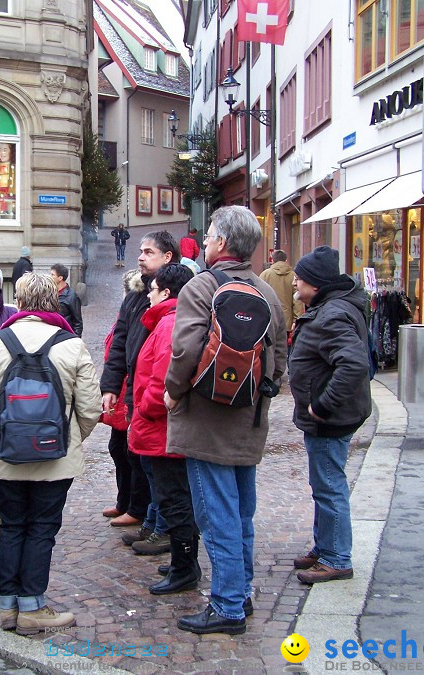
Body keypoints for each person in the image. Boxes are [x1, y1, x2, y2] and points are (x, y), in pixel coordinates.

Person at [164, 206, 286, 635]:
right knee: (240, 514)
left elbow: (184, 352)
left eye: (211, 235)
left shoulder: (200, 286)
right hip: (247, 422)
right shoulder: (267, 292)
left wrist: (173, 391)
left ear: (221, 243)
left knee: (216, 516)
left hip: (205, 422)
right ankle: (243, 591)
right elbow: (278, 360)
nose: (209, 241)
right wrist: (256, 394)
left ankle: (228, 606)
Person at [0, 272, 102, 634]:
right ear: (53, 302)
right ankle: (33, 606)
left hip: (5, 457)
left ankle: (8, 607)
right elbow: (90, 408)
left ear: (20, 301)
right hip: (54, 459)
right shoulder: (71, 345)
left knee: (11, 526)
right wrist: (69, 438)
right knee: (42, 528)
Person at [289, 246, 372, 584]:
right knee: (323, 483)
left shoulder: (331, 314)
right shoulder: (329, 307)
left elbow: (354, 364)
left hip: (330, 419)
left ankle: (337, 557)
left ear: (316, 284)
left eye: (300, 277)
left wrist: (322, 404)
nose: (295, 282)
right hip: (333, 416)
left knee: (328, 486)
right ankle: (325, 547)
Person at [100, 231, 178, 534]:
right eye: (141, 251)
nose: (140, 256)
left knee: (144, 456)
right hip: (131, 389)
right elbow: (119, 343)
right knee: (122, 448)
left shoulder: (174, 295)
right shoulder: (136, 296)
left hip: (151, 392)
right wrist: (110, 386)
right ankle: (132, 505)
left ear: (167, 256)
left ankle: (145, 513)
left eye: (148, 252)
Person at [129, 263, 199, 593]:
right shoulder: (168, 321)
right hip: (162, 427)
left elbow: (163, 381)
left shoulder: (169, 324)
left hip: (162, 428)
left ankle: (185, 568)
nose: (148, 296)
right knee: (174, 498)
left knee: (175, 500)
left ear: (166, 293)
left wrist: (145, 408)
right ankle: (182, 562)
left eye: (152, 290)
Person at [99, 269, 148, 523]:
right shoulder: (124, 314)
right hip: (120, 391)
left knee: (131, 451)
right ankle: (125, 501)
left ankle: (136, 507)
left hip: (131, 392)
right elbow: (115, 351)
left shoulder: (136, 312)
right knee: (118, 448)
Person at [260, 249, 304, 345]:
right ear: (286, 260)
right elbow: (297, 300)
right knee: (283, 348)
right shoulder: (293, 276)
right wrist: (297, 319)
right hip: (286, 320)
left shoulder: (265, 275)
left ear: (272, 260)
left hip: (269, 318)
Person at [50, 263, 83, 337]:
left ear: (60, 278)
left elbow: (78, 322)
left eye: (52, 275)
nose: (50, 277)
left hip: (65, 335)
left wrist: (76, 339)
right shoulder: (50, 293)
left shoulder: (71, 296)